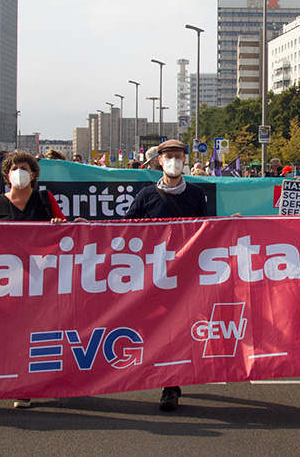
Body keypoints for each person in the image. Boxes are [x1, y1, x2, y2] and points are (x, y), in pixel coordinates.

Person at [122, 139, 208, 412]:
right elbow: (124, 231)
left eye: (178, 156)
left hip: (185, 276)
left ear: (185, 160)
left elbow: (209, 230)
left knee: (179, 330)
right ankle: (166, 377)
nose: (174, 161)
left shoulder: (196, 195)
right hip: (154, 275)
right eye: (168, 156)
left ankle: (170, 385)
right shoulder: (146, 196)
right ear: (160, 161)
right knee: (157, 328)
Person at [0, 150, 68, 411]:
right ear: (7, 175)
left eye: (24, 167)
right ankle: (19, 384)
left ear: (33, 174)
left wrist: (57, 224)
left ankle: (33, 382)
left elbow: (66, 233)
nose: (19, 172)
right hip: (6, 282)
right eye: (14, 168)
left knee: (38, 332)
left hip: (41, 279)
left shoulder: (44, 200)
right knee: (12, 333)